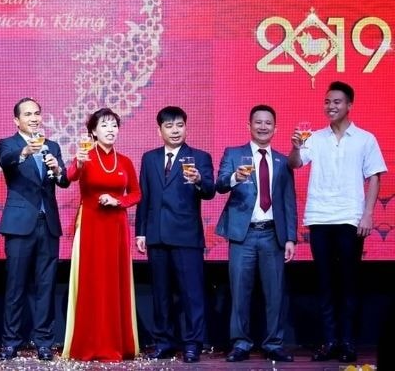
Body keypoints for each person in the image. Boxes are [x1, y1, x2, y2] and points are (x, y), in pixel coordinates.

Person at [288, 81, 387, 363]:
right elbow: (295, 164)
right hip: (319, 217)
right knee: (325, 283)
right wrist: (295, 147)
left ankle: (348, 341)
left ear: (349, 105)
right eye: (327, 102)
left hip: (349, 218)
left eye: (337, 102)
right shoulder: (315, 138)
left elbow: (374, 177)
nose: (330, 106)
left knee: (349, 282)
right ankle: (330, 341)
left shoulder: (365, 138)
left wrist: (368, 214)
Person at [215, 105, 296, 363]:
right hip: (244, 234)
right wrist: (235, 178)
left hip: (273, 234)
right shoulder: (234, 154)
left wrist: (291, 238)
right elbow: (219, 185)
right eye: (258, 122)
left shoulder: (283, 161)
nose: (263, 127)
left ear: (275, 128)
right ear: (248, 126)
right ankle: (241, 344)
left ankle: (273, 343)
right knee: (240, 291)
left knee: (275, 293)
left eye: (268, 123)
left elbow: (288, 201)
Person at [135, 106, 215, 363]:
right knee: (161, 294)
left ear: (186, 127)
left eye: (179, 125)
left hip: (186, 236)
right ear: (159, 130)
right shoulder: (149, 158)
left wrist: (199, 180)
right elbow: (144, 197)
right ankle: (164, 342)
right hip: (156, 235)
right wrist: (140, 232)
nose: (175, 130)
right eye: (169, 126)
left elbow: (210, 191)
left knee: (191, 294)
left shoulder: (199, 157)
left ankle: (192, 344)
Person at [61, 108, 141, 361]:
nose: (110, 130)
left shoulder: (125, 161)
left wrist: (118, 201)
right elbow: (69, 177)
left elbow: (136, 194)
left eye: (114, 125)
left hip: (116, 227)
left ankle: (117, 343)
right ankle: (89, 344)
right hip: (91, 226)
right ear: (93, 132)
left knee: (115, 283)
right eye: (104, 125)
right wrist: (78, 162)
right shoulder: (85, 156)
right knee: (92, 282)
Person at [0, 97, 69, 361]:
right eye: (27, 114)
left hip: (48, 224)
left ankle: (43, 342)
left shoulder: (52, 146)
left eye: (37, 113)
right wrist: (27, 151)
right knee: (15, 286)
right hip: (19, 225)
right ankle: (10, 341)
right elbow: (6, 161)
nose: (34, 118)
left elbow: (63, 181)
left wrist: (58, 169)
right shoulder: (8, 144)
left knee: (46, 286)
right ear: (17, 120)